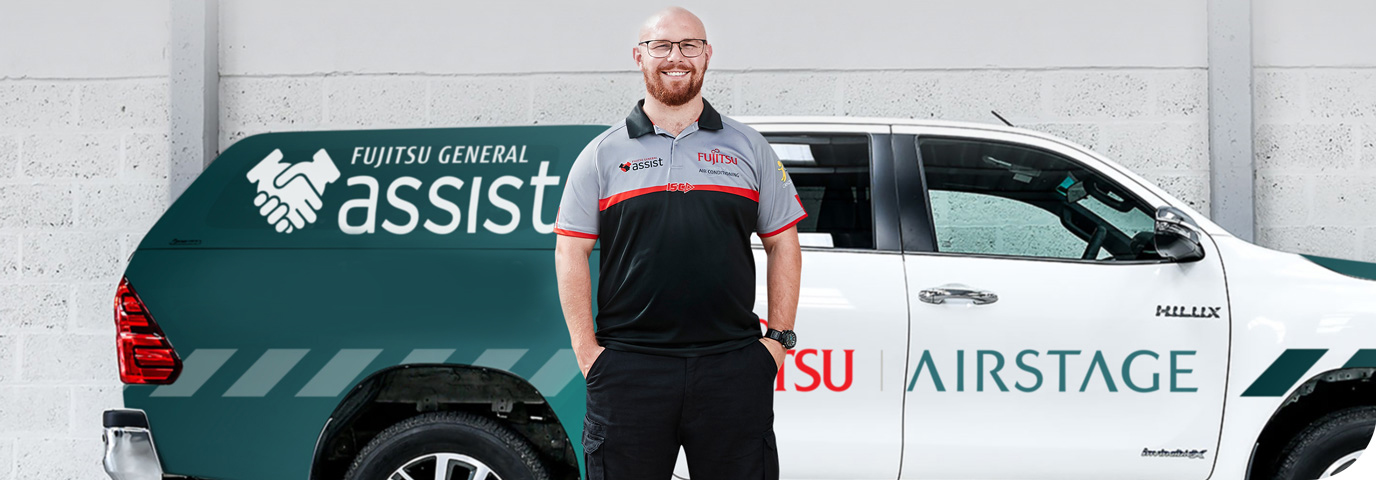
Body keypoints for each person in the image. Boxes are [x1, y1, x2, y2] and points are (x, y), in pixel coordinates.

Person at [552, 6, 805, 479]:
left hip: (732, 367)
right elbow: (570, 250)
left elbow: (783, 241)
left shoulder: (749, 147)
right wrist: (589, 354)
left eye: (689, 45)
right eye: (662, 46)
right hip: (629, 370)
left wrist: (777, 341)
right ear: (639, 56)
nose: (677, 57)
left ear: (707, 55)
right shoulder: (602, 154)